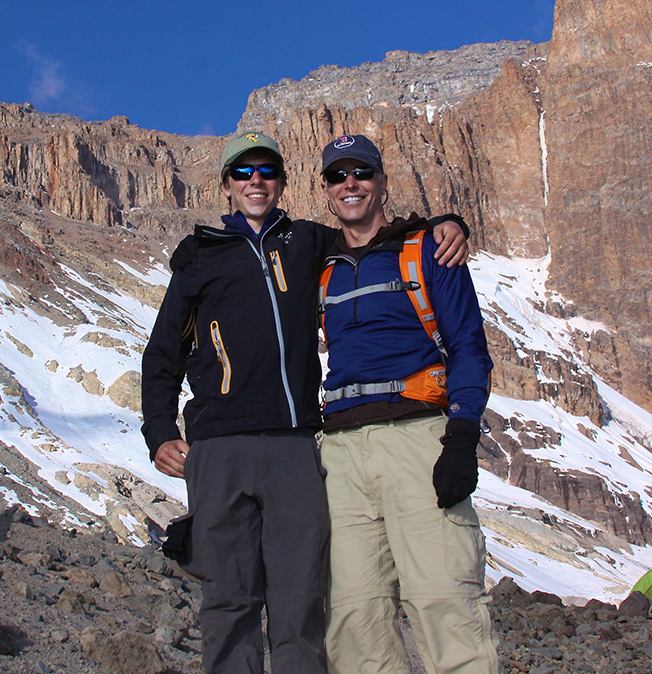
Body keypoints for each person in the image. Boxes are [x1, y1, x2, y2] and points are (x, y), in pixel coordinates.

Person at [141, 131, 468, 674]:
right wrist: (159, 430)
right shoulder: (200, 258)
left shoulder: (309, 242)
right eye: (243, 173)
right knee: (229, 599)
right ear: (225, 186)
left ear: (283, 181)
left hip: (296, 447)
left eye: (266, 170)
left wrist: (446, 223)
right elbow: (162, 355)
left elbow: (375, 233)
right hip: (219, 448)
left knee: (302, 601)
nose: (256, 182)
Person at [316, 133, 498, 674]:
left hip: (417, 437)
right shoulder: (319, 267)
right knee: (354, 621)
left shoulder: (428, 250)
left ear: (382, 183)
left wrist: (462, 436)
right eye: (337, 176)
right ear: (325, 190)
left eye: (362, 173)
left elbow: (468, 345)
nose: (351, 184)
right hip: (341, 456)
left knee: (445, 602)